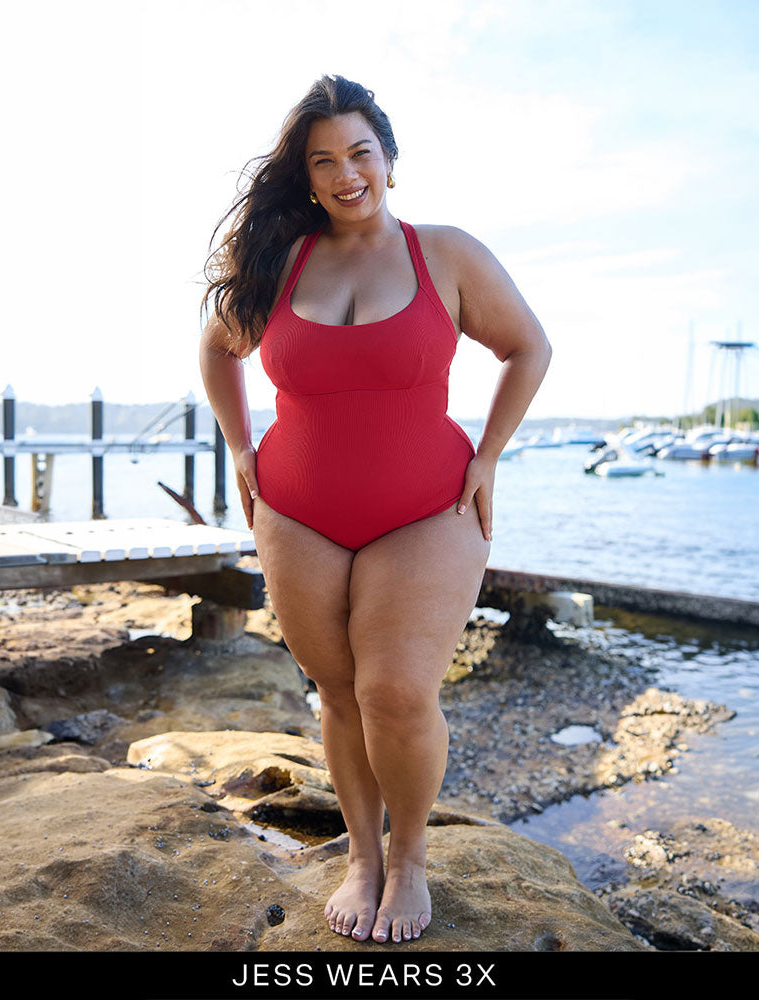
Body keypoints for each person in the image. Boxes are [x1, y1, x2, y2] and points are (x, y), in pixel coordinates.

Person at [199, 74, 552, 945]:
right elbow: (216, 348)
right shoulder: (280, 261)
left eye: (360, 152)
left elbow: (527, 347)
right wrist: (240, 448)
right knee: (340, 694)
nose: (345, 173)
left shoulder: (447, 254)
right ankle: (362, 856)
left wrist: (490, 454)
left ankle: (412, 859)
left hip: (428, 509)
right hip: (297, 511)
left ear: (389, 160)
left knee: (395, 692)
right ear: (307, 176)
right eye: (323, 161)